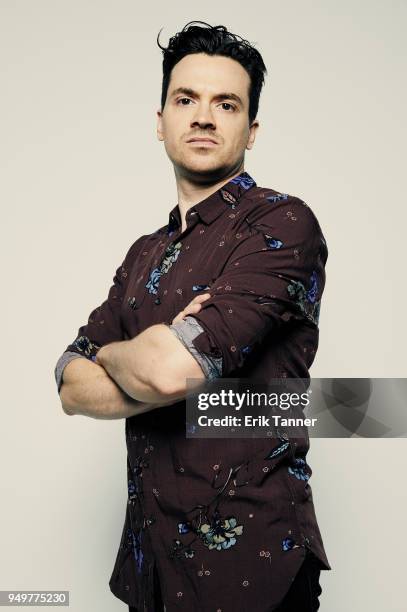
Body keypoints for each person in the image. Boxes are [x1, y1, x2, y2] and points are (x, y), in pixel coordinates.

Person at [54, 21, 331, 612]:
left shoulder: (280, 226)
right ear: (161, 121)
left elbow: (168, 375)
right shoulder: (144, 254)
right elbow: (69, 386)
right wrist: (135, 353)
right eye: (186, 100)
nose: (203, 117)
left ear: (251, 129)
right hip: (149, 567)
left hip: (253, 571)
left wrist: (118, 356)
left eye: (225, 104)